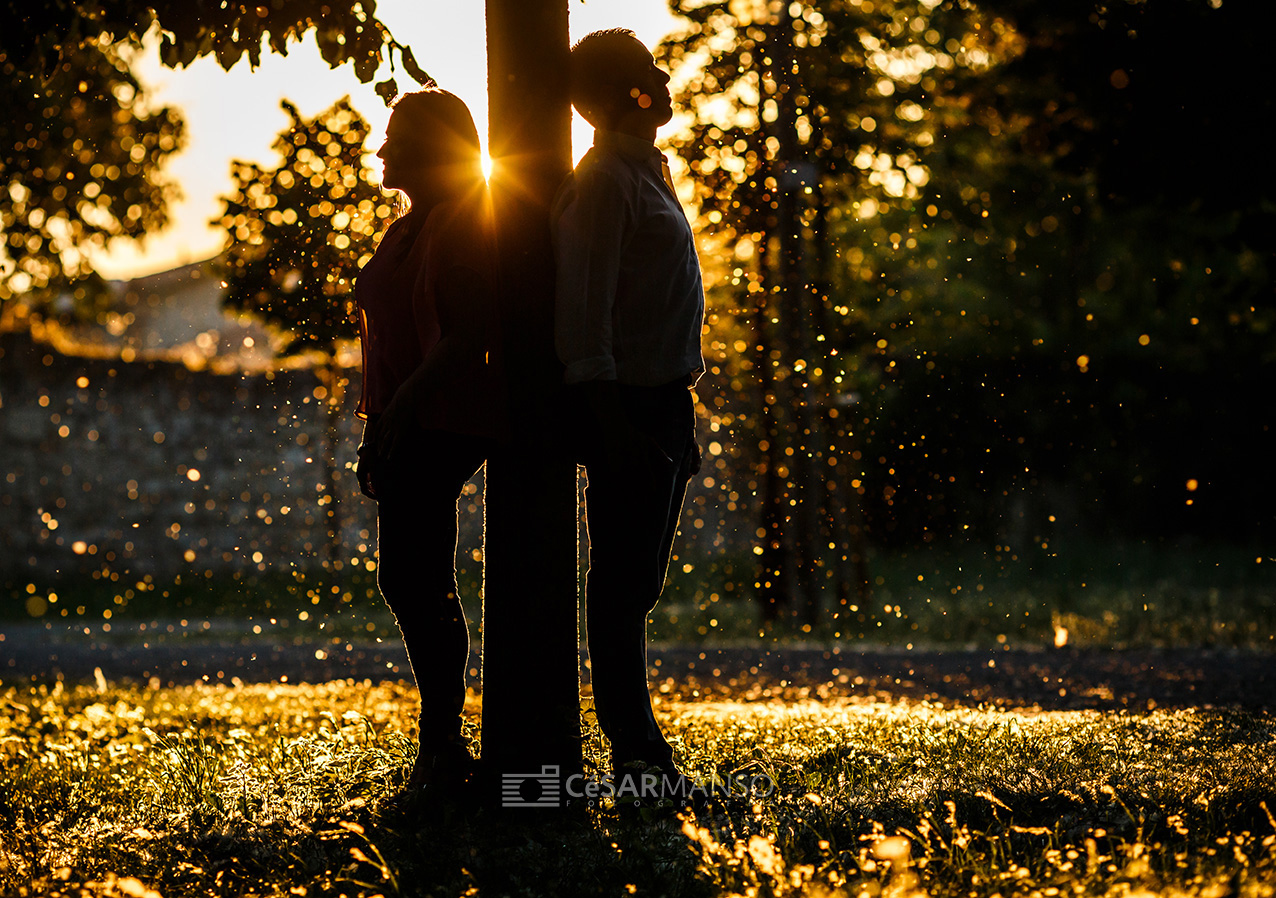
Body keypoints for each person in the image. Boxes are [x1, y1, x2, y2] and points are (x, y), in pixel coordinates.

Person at [553, 29, 705, 786]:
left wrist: (681, 429)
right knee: (621, 589)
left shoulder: (645, 172)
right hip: (632, 410)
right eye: (649, 71)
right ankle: (635, 751)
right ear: (624, 95)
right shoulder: (606, 182)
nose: (665, 76)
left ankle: (635, 742)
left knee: (637, 585)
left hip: (662, 407)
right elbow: (585, 321)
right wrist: (615, 429)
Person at [353, 87, 503, 798]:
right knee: (409, 579)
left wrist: (406, 408)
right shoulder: (406, 229)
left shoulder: (465, 221)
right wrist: (376, 424)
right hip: (405, 418)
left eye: (398, 139)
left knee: (416, 579)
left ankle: (443, 749)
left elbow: (471, 334)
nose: (383, 151)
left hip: (442, 419)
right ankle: (441, 746)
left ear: (436, 148)